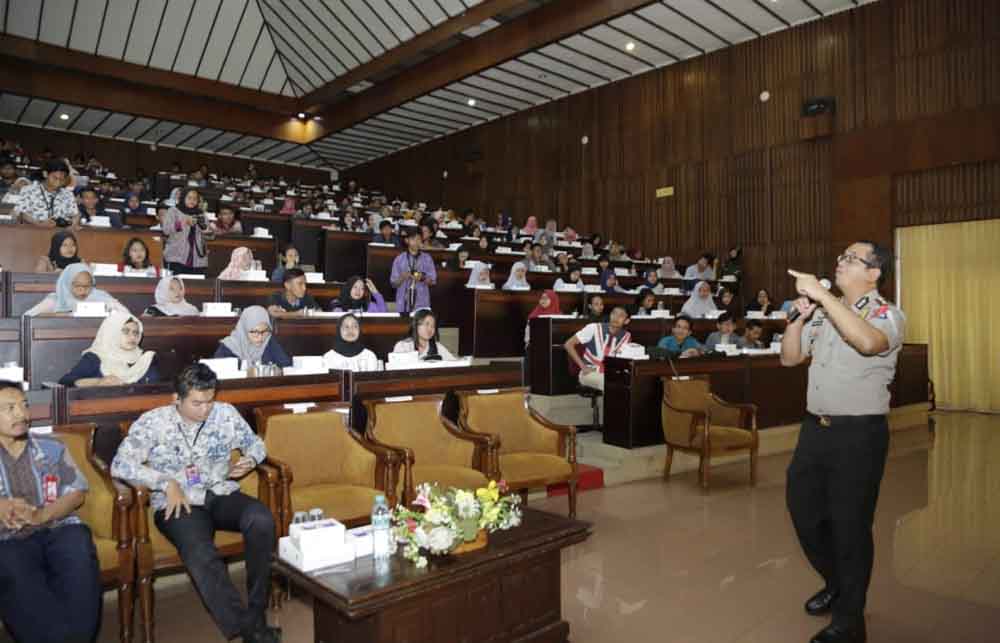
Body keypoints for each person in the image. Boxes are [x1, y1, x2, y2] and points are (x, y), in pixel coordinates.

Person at [780, 242, 903, 643]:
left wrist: (822, 296)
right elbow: (789, 360)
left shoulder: (886, 314)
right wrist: (798, 320)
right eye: (840, 257)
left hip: (858, 436)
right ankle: (836, 582)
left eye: (851, 259)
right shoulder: (824, 313)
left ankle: (851, 620)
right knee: (805, 515)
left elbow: (868, 343)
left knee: (850, 527)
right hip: (815, 430)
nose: (840, 262)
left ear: (873, 273)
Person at [111, 364, 281, 643]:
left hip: (219, 491)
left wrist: (249, 460)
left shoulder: (224, 414)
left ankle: (255, 613)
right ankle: (250, 630)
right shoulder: (153, 422)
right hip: (179, 503)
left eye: (210, 401)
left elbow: (256, 443)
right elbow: (120, 464)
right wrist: (167, 483)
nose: (205, 409)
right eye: (197, 403)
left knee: (261, 520)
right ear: (176, 399)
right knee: (200, 551)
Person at [0, 380, 101, 643]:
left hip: (57, 526)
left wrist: (41, 515)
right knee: (11, 563)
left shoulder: (51, 447)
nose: (22, 414)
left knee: (78, 543)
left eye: (24, 406)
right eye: (9, 408)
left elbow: (76, 492)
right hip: (8, 538)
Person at [59, 312, 160, 387]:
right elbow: (66, 382)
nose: (132, 337)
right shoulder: (95, 358)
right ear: (111, 333)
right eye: (126, 331)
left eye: (135, 333)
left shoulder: (146, 359)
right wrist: (98, 382)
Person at [563, 306, 631, 392]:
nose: (616, 317)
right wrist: (583, 366)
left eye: (621, 315)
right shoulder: (593, 328)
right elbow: (568, 344)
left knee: (629, 383)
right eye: (614, 313)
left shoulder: (626, 336)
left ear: (627, 321)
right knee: (611, 385)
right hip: (590, 372)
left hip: (611, 373)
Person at [25, 263, 130, 316]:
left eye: (88, 286)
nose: (83, 290)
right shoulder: (56, 300)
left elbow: (126, 315)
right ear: (67, 283)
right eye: (77, 286)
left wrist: (110, 312)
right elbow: (28, 317)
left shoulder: (100, 296)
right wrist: (65, 315)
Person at [213, 306, 292, 368]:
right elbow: (219, 372)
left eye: (264, 331)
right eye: (254, 332)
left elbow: (286, 366)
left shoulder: (269, 341)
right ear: (244, 329)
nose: (260, 337)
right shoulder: (229, 347)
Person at [162, 188, 213, 275]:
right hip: (176, 257)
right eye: (189, 198)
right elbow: (166, 230)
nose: (192, 201)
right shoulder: (173, 211)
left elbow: (211, 236)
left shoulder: (201, 214)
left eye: (195, 199)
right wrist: (184, 222)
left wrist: (204, 229)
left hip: (197, 259)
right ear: (183, 198)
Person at [15, 159, 78, 227]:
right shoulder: (28, 190)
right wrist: (39, 224)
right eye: (55, 178)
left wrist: (72, 225)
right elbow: (21, 213)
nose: (58, 182)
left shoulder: (68, 194)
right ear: (45, 174)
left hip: (61, 233)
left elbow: (75, 215)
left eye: (62, 179)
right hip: (34, 232)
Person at [390, 231, 437, 313]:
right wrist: (403, 276)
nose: (416, 242)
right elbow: (393, 284)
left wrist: (422, 278)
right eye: (413, 239)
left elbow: (433, 281)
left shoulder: (427, 258)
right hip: (403, 302)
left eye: (418, 239)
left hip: (422, 301)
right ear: (407, 240)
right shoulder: (399, 259)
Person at [391, 309, 456, 360]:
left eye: (433, 326)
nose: (430, 329)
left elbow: (454, 363)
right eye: (427, 324)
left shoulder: (437, 347)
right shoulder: (403, 346)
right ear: (416, 325)